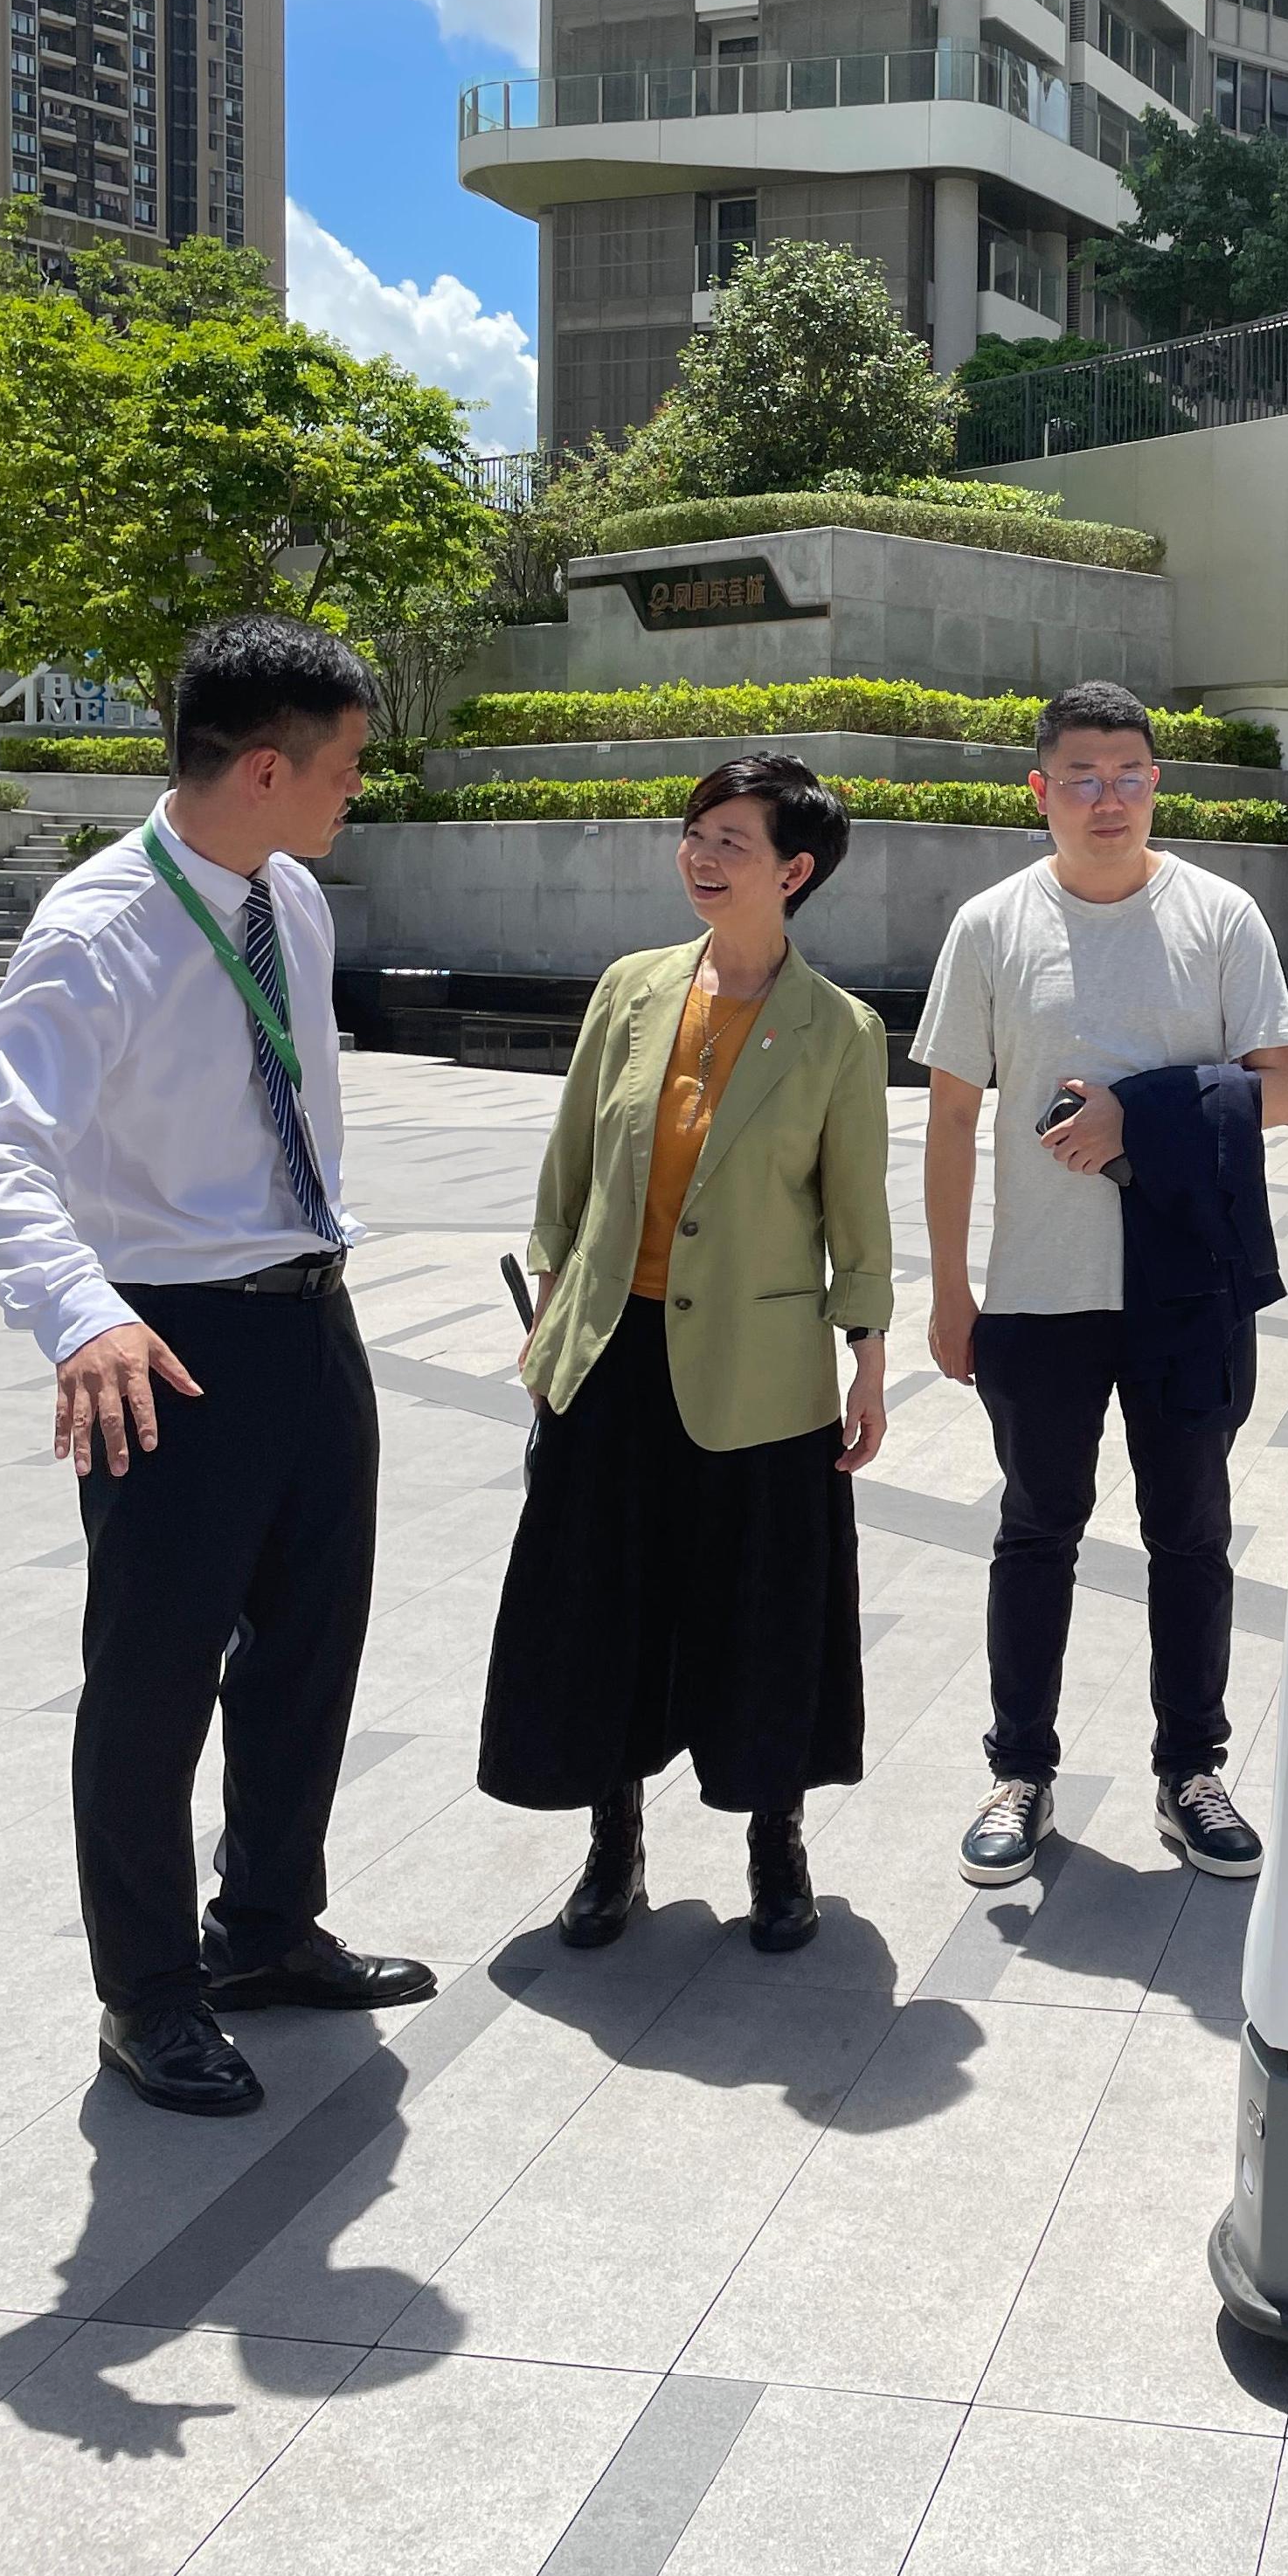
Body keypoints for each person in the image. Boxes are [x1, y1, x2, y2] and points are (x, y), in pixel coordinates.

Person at [0, 614, 434, 2117]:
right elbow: (0, 1160)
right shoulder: (97, 933)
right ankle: (149, 1994)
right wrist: (84, 1317)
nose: (364, 785)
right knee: (154, 1684)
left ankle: (269, 1932)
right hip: (166, 1337)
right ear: (270, 764)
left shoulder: (290, 898)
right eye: (350, 762)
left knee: (309, 1650)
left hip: (312, 1317)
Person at [479, 756, 895, 1953]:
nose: (701, 857)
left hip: (763, 1377)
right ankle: (614, 1845)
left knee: (762, 1609)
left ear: (794, 870)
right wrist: (555, 1307)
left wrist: (866, 1358)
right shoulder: (631, 989)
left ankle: (776, 1841)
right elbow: (570, 1168)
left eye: (731, 841)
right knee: (604, 1601)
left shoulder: (840, 1031)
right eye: (694, 834)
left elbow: (857, 1214)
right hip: (611, 1356)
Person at [916, 679, 1288, 1890]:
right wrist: (947, 1290)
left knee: (1189, 1536)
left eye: (1129, 774)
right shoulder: (992, 925)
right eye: (1080, 776)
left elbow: (1285, 1089)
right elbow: (947, 1118)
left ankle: (1192, 1771)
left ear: (1157, 784)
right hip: (1038, 1294)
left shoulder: (1222, 916)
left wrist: (1139, 1112)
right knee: (1036, 1533)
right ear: (1039, 792)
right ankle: (1018, 1772)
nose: (1107, 798)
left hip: (1187, 1290)